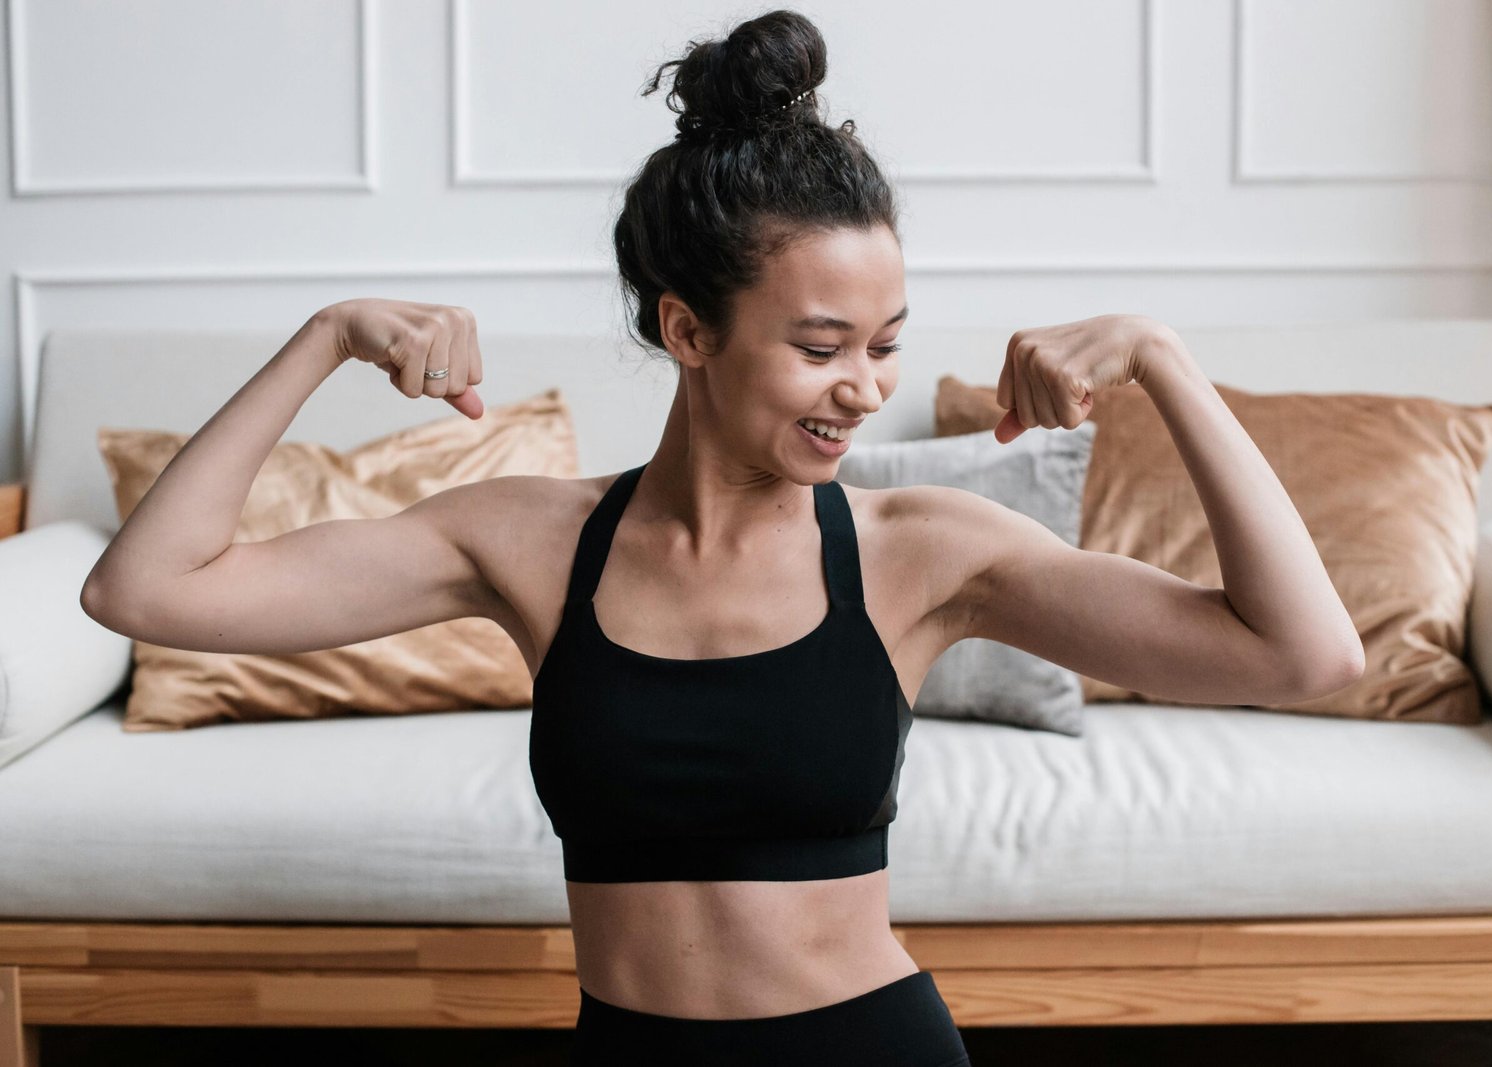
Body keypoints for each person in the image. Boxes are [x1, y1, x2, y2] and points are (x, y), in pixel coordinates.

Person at [80, 9, 1365, 1065]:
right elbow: (148, 588)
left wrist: (1167, 361)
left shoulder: (924, 549)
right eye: (819, 347)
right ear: (687, 329)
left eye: (885, 344)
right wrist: (324, 339)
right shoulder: (528, 539)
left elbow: (1302, 655)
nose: (862, 387)